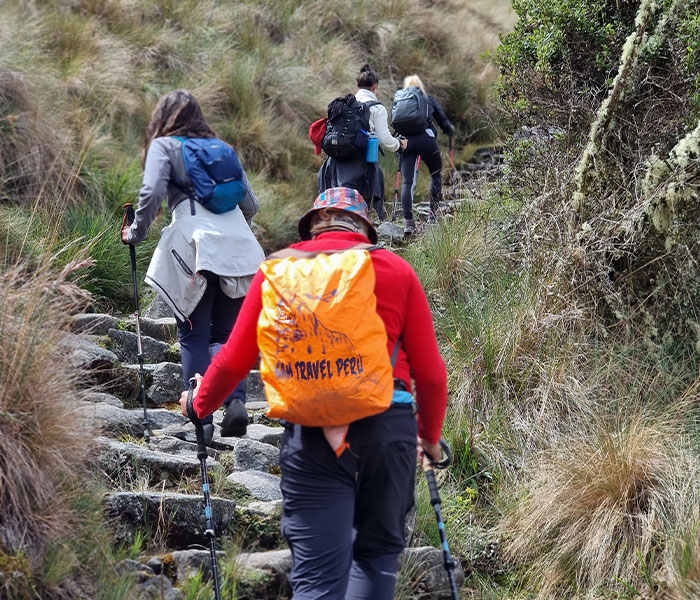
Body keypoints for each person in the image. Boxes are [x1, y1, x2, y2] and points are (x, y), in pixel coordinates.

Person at [179, 186, 448, 600]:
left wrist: (199, 403)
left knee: (318, 578)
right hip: (387, 427)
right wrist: (429, 440)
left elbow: (234, 359)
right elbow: (430, 377)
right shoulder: (394, 269)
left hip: (310, 432)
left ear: (313, 227)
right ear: (364, 228)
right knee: (375, 560)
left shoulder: (277, 270)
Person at [122, 89, 264, 441]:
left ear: (163, 118)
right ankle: (235, 401)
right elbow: (251, 204)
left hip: (194, 248)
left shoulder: (165, 148)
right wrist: (226, 223)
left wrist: (134, 233)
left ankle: (200, 418)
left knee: (193, 335)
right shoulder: (221, 149)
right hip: (240, 249)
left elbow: (151, 196)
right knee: (226, 338)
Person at [318, 65, 407, 221]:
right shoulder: (377, 108)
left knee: (338, 199)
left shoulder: (344, 104)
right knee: (358, 201)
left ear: (357, 86)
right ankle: (360, 227)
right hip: (361, 164)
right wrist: (400, 144)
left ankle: (334, 227)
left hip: (335, 162)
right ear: (375, 87)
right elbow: (385, 140)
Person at [399, 74, 454, 235]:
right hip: (426, 140)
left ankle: (408, 223)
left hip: (406, 143)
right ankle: (432, 214)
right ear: (420, 86)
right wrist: (449, 130)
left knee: (407, 182)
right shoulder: (427, 99)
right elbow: (443, 121)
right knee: (436, 175)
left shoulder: (401, 101)